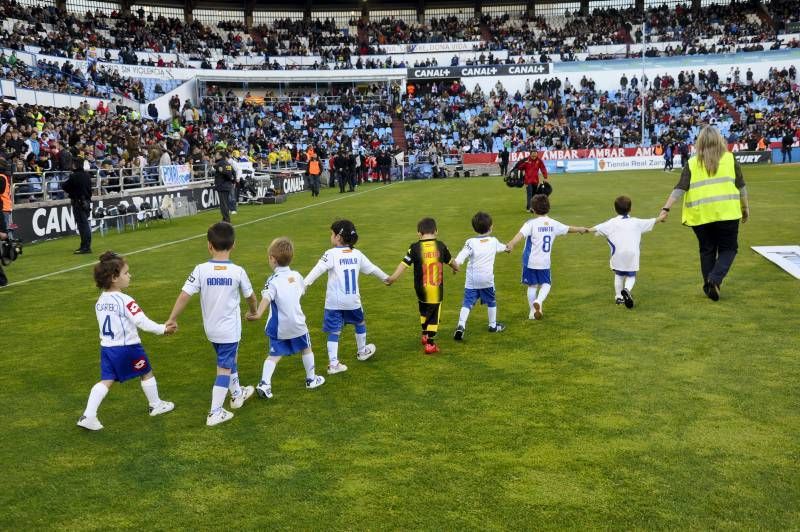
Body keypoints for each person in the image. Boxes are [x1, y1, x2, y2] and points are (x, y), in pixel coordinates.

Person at [166, 222, 258, 426]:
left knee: (228, 359)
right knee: (224, 368)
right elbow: (250, 297)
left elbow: (184, 295)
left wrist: (172, 318)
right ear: (234, 245)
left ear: (209, 245)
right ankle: (215, 412)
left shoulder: (200, 270)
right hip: (229, 330)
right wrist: (254, 312)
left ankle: (236, 394)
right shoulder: (238, 271)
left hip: (211, 329)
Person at [77, 252, 176, 431]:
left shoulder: (100, 301)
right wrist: (163, 329)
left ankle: (88, 415)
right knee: (146, 371)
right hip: (127, 347)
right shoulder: (125, 300)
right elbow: (141, 321)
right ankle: (155, 405)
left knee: (106, 380)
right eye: (126, 273)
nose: (129, 275)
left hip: (107, 348)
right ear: (114, 278)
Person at [659, 126, 750, 301]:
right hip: (727, 213)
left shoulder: (693, 162)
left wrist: (666, 208)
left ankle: (710, 285)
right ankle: (714, 280)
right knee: (729, 248)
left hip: (700, 216)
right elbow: (741, 187)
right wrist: (745, 208)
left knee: (707, 249)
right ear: (719, 140)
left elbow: (680, 187)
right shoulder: (730, 159)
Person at [303, 220, 390, 374]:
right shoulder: (357, 254)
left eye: (332, 233)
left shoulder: (330, 254)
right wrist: (386, 278)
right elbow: (373, 269)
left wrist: (303, 285)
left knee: (334, 331)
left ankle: (333, 363)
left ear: (338, 237)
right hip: (352, 301)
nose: (331, 236)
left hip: (333, 302)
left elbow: (317, 271)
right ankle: (362, 351)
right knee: (360, 322)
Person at [246, 237, 326, 400]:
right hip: (297, 324)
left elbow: (266, 298)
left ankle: (265, 383)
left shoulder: (272, 281)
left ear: (272, 259)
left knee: (274, 354)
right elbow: (301, 291)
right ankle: (311, 379)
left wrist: (257, 313)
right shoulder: (296, 276)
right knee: (306, 348)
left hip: (279, 326)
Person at [505, 194, 587, 320]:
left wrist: (511, 244)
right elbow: (568, 229)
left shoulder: (530, 223)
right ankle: (539, 300)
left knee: (532, 286)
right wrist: (580, 229)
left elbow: (520, 235)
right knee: (546, 284)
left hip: (530, 261)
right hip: (544, 262)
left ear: (532, 209)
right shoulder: (553, 224)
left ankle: (532, 312)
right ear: (548, 208)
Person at [386, 217, 459, 354]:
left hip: (419, 288)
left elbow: (404, 264)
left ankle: (425, 335)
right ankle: (430, 344)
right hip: (435, 288)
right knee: (433, 315)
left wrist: (393, 278)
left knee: (424, 310)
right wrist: (456, 268)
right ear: (436, 231)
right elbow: (451, 261)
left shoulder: (414, 247)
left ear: (419, 233)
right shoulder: (441, 246)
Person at [588, 196, 665, 309]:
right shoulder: (636, 222)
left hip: (617, 253)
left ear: (615, 209)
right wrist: (662, 216)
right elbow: (652, 221)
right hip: (632, 254)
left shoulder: (611, 223)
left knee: (618, 275)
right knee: (631, 276)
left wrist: (585, 230)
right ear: (630, 209)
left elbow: (597, 228)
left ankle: (619, 297)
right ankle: (627, 290)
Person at [452, 212, 507, 341]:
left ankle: (461, 325)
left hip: (472, 280)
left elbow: (462, 254)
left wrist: (456, 264)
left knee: (467, 302)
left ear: (474, 228)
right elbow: (503, 248)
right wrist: (508, 248)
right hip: (487, 280)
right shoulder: (493, 241)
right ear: (491, 227)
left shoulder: (470, 242)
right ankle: (493, 326)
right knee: (491, 301)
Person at [61, 157, 93, 254]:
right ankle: (86, 245)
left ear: (75, 165)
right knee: (85, 224)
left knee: (82, 225)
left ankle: (85, 247)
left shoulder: (74, 176)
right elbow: (89, 190)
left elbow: (65, 186)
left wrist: (72, 191)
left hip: (78, 202)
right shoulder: (87, 175)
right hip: (86, 201)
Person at [213, 150, 235, 222]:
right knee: (225, 203)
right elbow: (233, 173)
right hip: (227, 185)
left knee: (223, 205)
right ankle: (225, 219)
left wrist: (222, 171)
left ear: (220, 156)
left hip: (222, 186)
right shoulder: (228, 163)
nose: (215, 156)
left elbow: (218, 168)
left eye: (217, 154)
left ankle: (226, 220)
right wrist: (232, 180)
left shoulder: (220, 164)